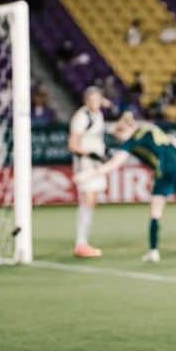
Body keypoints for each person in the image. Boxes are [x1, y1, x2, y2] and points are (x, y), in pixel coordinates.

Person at [84, 112, 176, 263]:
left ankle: (153, 251)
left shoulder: (132, 141)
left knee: (156, 212)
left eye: (117, 133)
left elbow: (114, 164)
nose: (116, 138)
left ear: (124, 130)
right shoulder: (151, 128)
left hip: (166, 169)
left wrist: (90, 174)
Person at [68, 87, 109, 258]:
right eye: (92, 100)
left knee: (91, 202)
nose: (96, 103)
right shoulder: (81, 117)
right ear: (86, 101)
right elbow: (72, 144)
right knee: (87, 200)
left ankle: (83, 241)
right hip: (85, 165)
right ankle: (81, 243)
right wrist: (90, 154)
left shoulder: (98, 114)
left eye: (98, 100)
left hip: (95, 164)